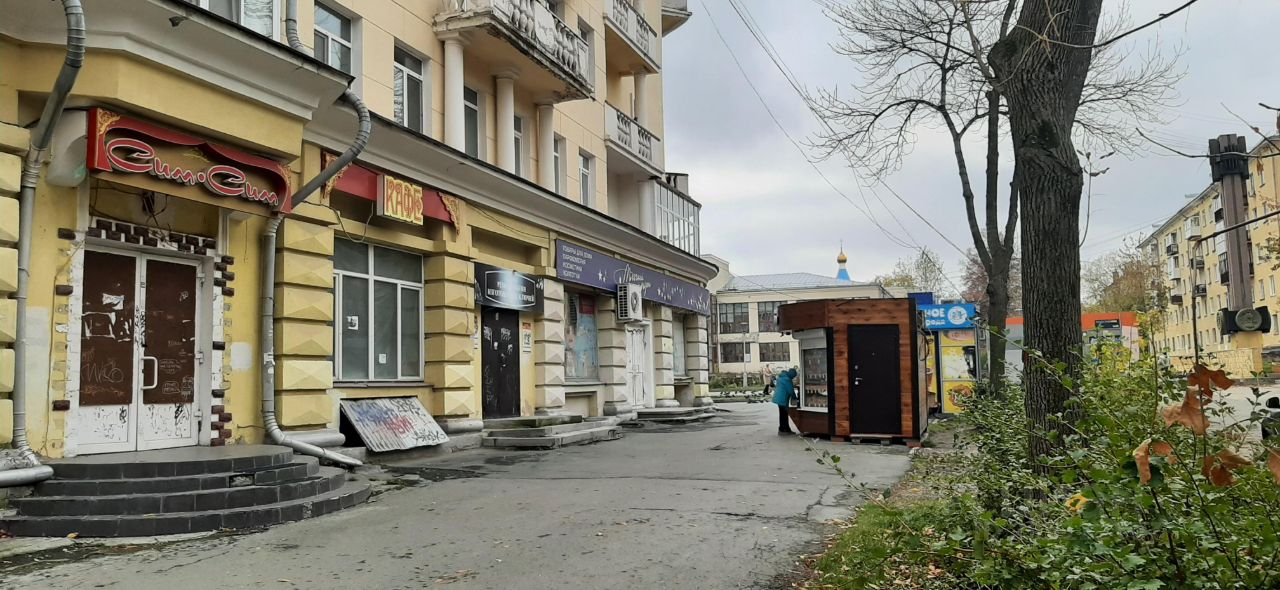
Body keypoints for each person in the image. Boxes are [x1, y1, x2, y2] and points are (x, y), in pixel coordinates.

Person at [772, 368, 798, 434]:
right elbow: (790, 391)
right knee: (784, 414)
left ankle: (783, 429)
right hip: (782, 398)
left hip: (778, 398)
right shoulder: (787, 379)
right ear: (792, 374)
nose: (793, 378)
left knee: (782, 414)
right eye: (793, 376)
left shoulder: (781, 377)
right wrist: (795, 398)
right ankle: (784, 430)